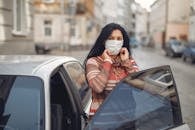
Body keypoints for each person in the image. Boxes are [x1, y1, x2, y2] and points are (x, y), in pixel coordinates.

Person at [84, 23, 139, 118]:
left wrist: (126, 62)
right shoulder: (93, 62)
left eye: (119, 39)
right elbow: (97, 87)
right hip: (102, 121)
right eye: (111, 38)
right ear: (103, 41)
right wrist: (107, 62)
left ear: (123, 42)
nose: (115, 41)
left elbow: (139, 85)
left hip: (127, 120)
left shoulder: (129, 61)